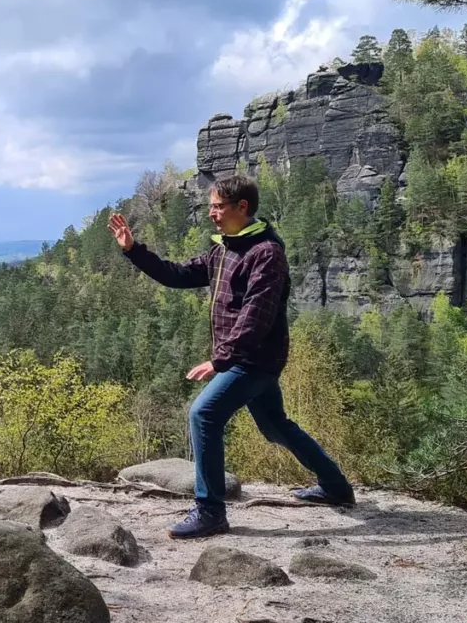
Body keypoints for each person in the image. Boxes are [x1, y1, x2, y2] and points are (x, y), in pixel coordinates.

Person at [107, 174, 355, 540]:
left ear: (243, 207)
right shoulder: (224, 248)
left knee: (204, 413)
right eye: (210, 206)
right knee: (275, 427)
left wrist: (220, 360)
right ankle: (336, 487)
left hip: (254, 359)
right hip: (243, 357)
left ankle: (210, 512)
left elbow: (257, 315)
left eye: (219, 206)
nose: (212, 214)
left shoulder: (265, 253)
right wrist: (134, 250)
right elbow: (178, 275)